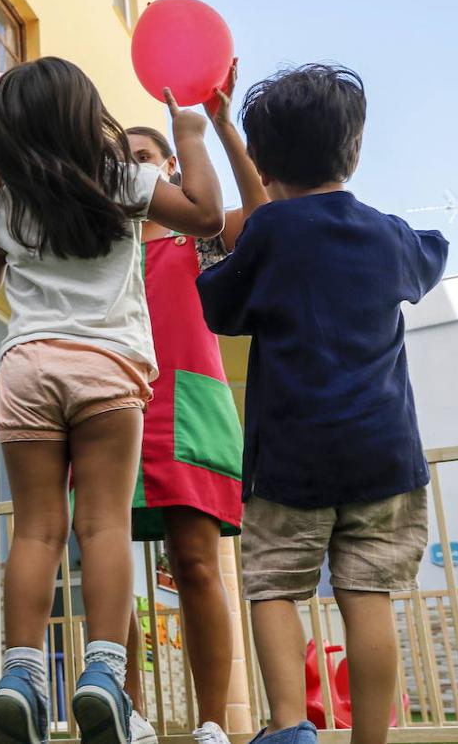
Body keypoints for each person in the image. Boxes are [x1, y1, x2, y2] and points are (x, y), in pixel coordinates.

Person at [0, 56, 224, 744]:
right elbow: (203, 215)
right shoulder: (127, 181)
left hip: (27, 371)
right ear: (88, 117)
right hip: (107, 371)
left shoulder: (7, 200)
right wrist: (188, 135)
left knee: (36, 528)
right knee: (103, 526)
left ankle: (20, 675)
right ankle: (103, 673)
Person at [197, 64, 448, 744]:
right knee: (368, 598)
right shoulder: (390, 235)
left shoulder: (272, 237)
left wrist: (220, 146)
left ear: (266, 166)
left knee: (274, 586)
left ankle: (289, 728)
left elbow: (220, 303)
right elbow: (433, 254)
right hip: (384, 457)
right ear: (355, 149)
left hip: (291, 460)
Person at [120, 61, 268, 744]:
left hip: (190, 405)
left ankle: (212, 725)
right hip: (111, 408)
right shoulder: (95, 245)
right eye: (119, 163)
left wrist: (219, 128)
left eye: (145, 157)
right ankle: (127, 715)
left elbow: (263, 222)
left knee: (197, 564)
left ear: (172, 167)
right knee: (109, 564)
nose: (133, 169)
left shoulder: (199, 229)